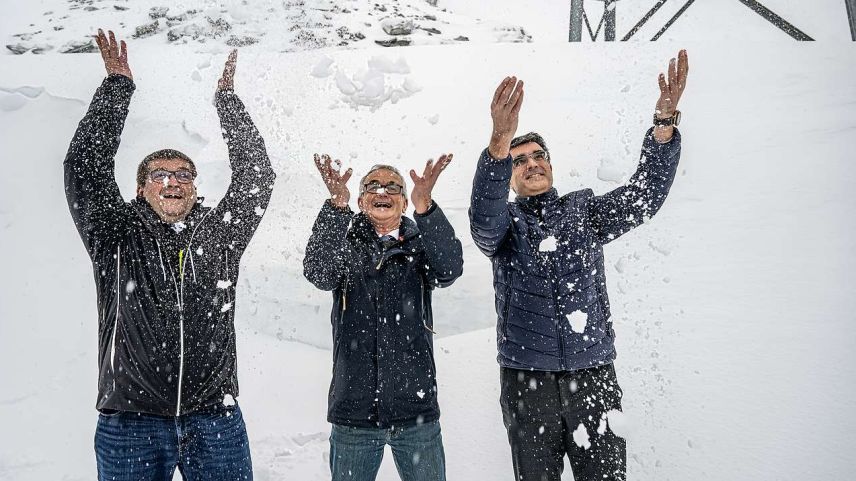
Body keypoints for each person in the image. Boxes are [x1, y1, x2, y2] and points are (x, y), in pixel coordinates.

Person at [63, 29, 275, 480]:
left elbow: (257, 175)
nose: (172, 181)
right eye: (159, 174)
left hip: (213, 418)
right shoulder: (114, 233)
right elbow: (84, 167)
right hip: (131, 420)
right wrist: (116, 89)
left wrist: (228, 102)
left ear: (195, 188)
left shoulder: (219, 233)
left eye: (183, 174)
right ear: (141, 188)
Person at [469, 50, 689, 481]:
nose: (531, 163)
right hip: (527, 381)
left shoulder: (583, 212)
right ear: (510, 176)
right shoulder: (506, 225)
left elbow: (644, 197)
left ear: (550, 163)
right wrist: (498, 142)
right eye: (519, 160)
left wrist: (663, 128)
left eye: (537, 156)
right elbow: (482, 221)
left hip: (593, 376)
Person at [303, 154, 464, 481]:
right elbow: (319, 273)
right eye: (372, 185)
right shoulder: (344, 245)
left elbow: (449, 269)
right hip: (353, 413)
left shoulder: (421, 248)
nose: (383, 191)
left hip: (416, 412)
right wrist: (336, 206)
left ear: (404, 202)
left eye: (393, 187)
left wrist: (427, 208)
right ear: (361, 200)